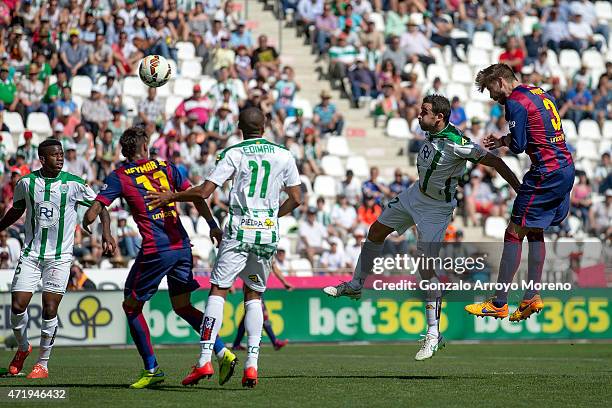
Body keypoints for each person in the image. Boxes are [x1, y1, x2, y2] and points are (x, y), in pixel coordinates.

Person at [324, 95, 521, 361]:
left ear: (439, 117)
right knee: (375, 232)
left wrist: (519, 190)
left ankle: (433, 333)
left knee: (425, 268)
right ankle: (356, 284)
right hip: (414, 195)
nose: (419, 115)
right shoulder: (431, 134)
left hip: (436, 209)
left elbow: (495, 161)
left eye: (424, 112)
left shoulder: (456, 142)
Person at [145, 108, 302, 388]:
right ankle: (252, 366)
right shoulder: (284, 154)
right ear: (265, 125)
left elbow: (204, 192)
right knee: (253, 295)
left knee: (218, 290)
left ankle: (205, 357)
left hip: (239, 229)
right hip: (266, 233)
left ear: (240, 126)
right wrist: (272, 216)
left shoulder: (234, 152)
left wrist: (173, 195)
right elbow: (297, 198)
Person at [82, 127, 237, 389]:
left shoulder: (119, 176)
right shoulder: (166, 167)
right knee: (183, 307)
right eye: (148, 144)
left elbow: (95, 210)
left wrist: (99, 228)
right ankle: (222, 353)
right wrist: (212, 224)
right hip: (181, 247)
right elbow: (197, 195)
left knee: (131, 307)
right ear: (142, 147)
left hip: (156, 250)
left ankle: (152, 368)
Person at [465, 63, 575, 322]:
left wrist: (502, 142)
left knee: (513, 233)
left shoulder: (514, 102)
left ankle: (499, 302)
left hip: (545, 172)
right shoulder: (539, 93)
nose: (492, 97)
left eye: (491, 90)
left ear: (501, 81)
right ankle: (530, 297)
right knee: (534, 230)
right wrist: (505, 140)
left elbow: (519, 144)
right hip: (565, 167)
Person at [3, 139, 114, 379]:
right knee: (17, 307)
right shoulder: (26, 183)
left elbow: (102, 207)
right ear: (43, 159)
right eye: (55, 155)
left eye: (61, 154)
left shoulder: (74, 184)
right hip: (31, 254)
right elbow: (16, 210)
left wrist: (106, 233)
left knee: (49, 307)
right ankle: (23, 348)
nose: (60, 158)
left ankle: (42, 364)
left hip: (60, 257)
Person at [231, 261, 293, 351]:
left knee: (249, 314)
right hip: (252, 282)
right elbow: (238, 262)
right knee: (261, 312)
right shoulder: (253, 249)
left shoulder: (268, 250)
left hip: (259, 284)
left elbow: (274, 266)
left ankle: (237, 344)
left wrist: (284, 282)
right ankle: (272, 341)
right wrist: (231, 282)